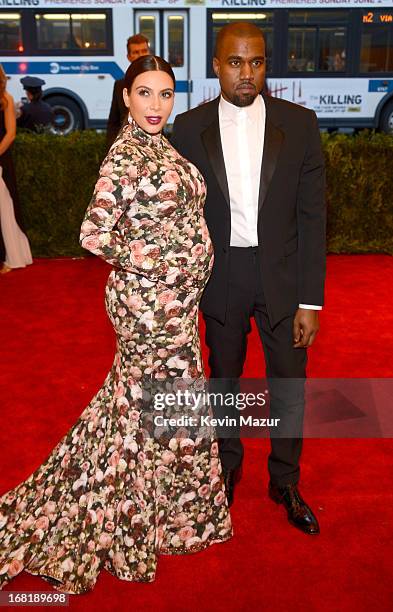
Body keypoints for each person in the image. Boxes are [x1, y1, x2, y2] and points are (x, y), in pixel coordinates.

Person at [0, 55, 232, 594]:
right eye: (145, 93)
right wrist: (166, 263)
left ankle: (167, 518)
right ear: (126, 97)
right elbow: (95, 234)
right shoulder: (124, 156)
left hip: (173, 304)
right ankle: (125, 520)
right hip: (149, 307)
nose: (156, 105)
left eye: (166, 94)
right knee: (149, 406)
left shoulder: (157, 145)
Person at [172, 23, 326, 535]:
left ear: (266, 65)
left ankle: (284, 479)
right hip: (222, 275)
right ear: (216, 65)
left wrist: (311, 301)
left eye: (256, 62)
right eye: (235, 62)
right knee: (224, 380)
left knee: (289, 384)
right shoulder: (189, 129)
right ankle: (227, 466)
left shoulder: (300, 124)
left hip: (282, 277)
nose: (247, 73)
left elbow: (312, 218)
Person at [0, 64, 32, 274]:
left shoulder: (6, 99)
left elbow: (11, 133)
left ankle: (11, 257)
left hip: (1, 159)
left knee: (4, 210)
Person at [106, 34, 150, 147]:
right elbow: (113, 122)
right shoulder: (120, 85)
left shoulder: (157, 83)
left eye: (144, 51)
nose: (140, 55)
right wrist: (113, 147)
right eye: (136, 52)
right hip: (126, 149)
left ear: (149, 53)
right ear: (129, 57)